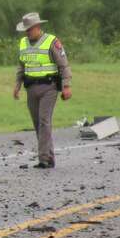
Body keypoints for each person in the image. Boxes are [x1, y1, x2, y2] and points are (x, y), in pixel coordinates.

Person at [13, 12, 72, 169]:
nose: (27, 32)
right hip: (31, 88)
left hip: (49, 88)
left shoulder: (51, 41)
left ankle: (43, 159)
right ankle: (49, 157)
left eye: (29, 29)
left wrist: (66, 86)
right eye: (26, 30)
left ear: (38, 27)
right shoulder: (24, 43)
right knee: (37, 123)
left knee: (44, 122)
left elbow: (63, 65)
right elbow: (21, 65)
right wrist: (17, 85)